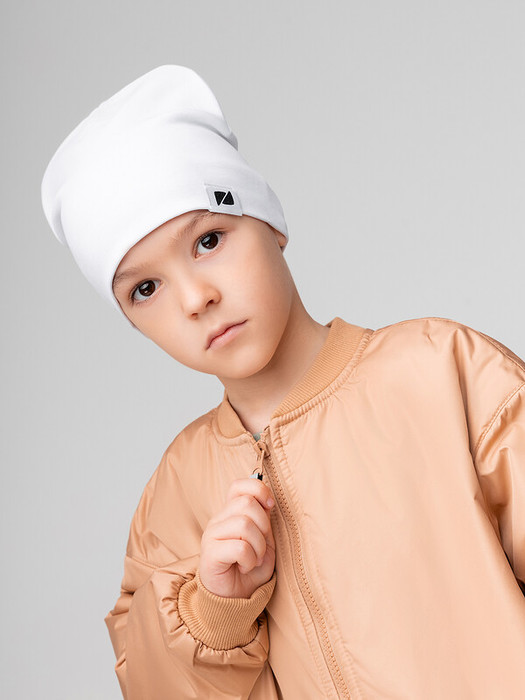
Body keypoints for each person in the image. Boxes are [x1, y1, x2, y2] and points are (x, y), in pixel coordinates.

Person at [41, 65, 525, 700]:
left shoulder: (442, 374)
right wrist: (214, 614)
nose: (194, 298)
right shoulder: (176, 494)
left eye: (208, 240)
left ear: (268, 222)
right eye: (146, 288)